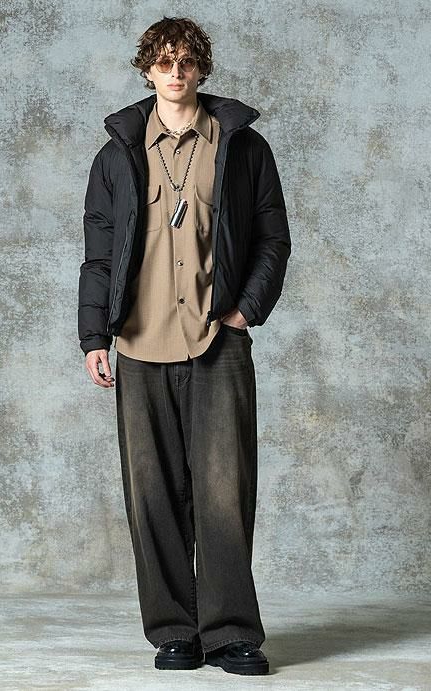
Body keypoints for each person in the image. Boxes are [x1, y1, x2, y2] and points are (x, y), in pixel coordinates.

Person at [78, 16, 291, 676]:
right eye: (164, 61)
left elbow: (273, 238)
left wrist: (244, 309)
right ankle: (175, 631)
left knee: (225, 490)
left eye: (187, 61)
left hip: (216, 343)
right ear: (148, 69)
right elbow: (99, 255)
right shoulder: (116, 156)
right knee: (153, 494)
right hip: (139, 344)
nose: (176, 72)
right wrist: (94, 336)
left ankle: (230, 633)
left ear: (201, 69)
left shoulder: (242, 148)